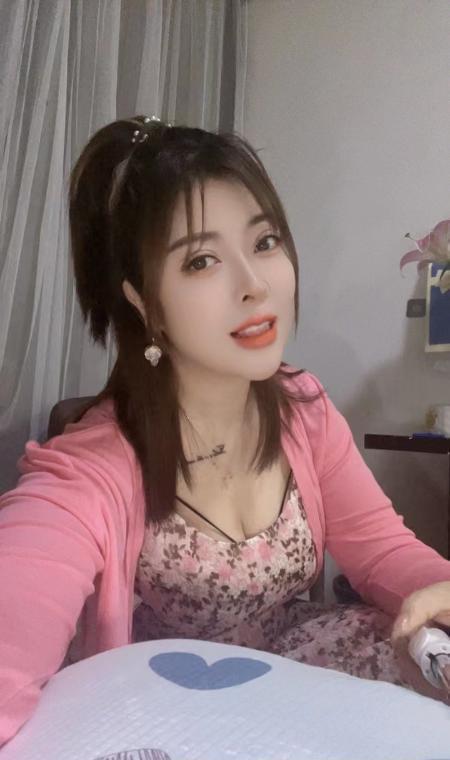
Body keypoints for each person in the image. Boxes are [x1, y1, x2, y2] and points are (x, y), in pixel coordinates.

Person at [0, 115, 449, 746]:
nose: (255, 284)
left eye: (264, 242)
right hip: (178, 719)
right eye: (202, 260)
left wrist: (439, 592)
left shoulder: (304, 409)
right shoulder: (90, 468)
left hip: (299, 677)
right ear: (142, 301)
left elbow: (380, 549)